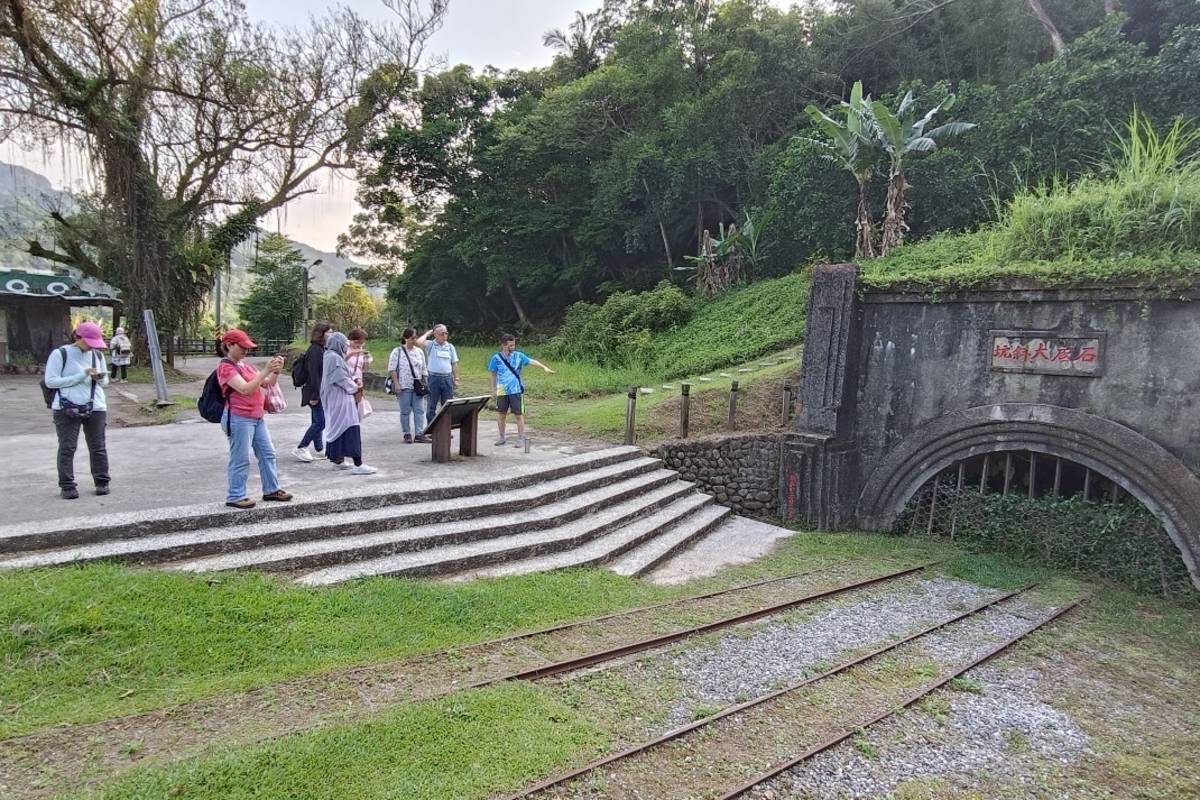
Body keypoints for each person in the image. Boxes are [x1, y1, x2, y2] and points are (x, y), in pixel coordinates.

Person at [217, 329, 292, 509]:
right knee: (240, 458)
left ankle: (271, 489)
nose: (245, 351)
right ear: (229, 345)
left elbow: (268, 384)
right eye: (242, 347)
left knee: (268, 453)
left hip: (257, 417)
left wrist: (275, 371)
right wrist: (265, 370)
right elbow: (245, 389)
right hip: (238, 418)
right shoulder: (225, 367)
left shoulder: (247, 366)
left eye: (247, 347)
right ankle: (236, 495)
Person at [44, 322, 110, 499]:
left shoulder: (97, 355)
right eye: (88, 342)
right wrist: (82, 375)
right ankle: (67, 485)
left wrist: (98, 377)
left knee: (98, 446)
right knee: (67, 447)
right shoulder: (61, 354)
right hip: (66, 406)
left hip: (95, 405)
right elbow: (51, 381)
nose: (90, 346)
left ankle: (102, 482)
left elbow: (105, 383)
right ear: (77, 337)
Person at [320, 332, 377, 475]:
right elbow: (342, 380)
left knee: (336, 428)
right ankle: (358, 464)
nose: (346, 347)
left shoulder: (329, 356)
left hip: (335, 399)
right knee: (351, 428)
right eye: (344, 344)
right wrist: (356, 387)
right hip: (342, 400)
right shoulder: (335, 358)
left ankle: (337, 459)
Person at [488, 334, 554, 447]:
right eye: (510, 345)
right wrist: (493, 390)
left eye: (514, 345)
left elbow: (531, 361)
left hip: (516, 390)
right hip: (502, 391)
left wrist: (544, 367)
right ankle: (502, 437)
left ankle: (520, 438)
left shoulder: (519, 356)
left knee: (518, 414)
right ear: (503, 345)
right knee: (501, 414)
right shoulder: (496, 358)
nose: (513, 347)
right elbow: (493, 375)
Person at [293, 321, 331, 462]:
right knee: (321, 422)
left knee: (316, 420)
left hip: (316, 390)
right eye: (329, 332)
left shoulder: (320, 349)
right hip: (314, 391)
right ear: (321, 333)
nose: (331, 334)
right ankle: (301, 447)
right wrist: (316, 395)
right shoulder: (315, 350)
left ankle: (319, 449)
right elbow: (315, 374)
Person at [387, 327, 431, 444]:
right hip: (404, 385)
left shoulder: (419, 352)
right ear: (406, 338)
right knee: (405, 410)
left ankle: (419, 434)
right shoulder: (397, 351)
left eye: (415, 338)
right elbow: (392, 369)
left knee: (419, 410)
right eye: (412, 338)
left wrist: (425, 383)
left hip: (417, 385)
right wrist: (396, 384)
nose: (414, 340)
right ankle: (406, 433)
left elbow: (424, 369)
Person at [416, 323, 458, 426]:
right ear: (435, 335)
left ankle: (446, 428)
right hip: (434, 378)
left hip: (447, 378)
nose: (445, 336)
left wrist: (456, 378)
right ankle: (431, 429)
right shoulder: (431, 344)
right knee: (431, 405)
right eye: (442, 333)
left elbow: (454, 363)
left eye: (446, 333)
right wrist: (428, 333)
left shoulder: (450, 347)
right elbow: (418, 342)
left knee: (447, 405)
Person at [346, 328, 374, 419]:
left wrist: (366, 359)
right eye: (357, 342)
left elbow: (365, 368)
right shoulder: (344, 348)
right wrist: (352, 353)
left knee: (357, 406)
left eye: (361, 343)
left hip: (358, 382)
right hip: (345, 381)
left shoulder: (362, 351)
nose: (359, 345)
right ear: (351, 340)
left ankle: (355, 427)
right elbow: (340, 361)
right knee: (346, 407)